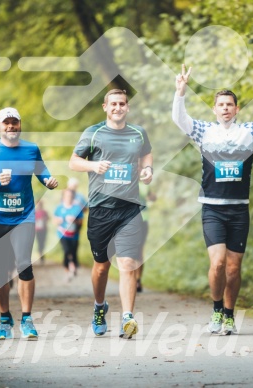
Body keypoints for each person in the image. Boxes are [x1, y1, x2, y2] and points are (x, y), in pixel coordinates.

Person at [172, 64, 253, 335]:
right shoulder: (203, 131)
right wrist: (180, 92)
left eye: (230, 104)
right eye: (221, 104)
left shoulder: (249, 132)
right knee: (218, 264)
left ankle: (229, 314)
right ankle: (215, 311)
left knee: (234, 269)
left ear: (236, 109)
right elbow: (180, 120)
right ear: (214, 109)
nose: (225, 108)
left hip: (239, 210)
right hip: (212, 208)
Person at [69, 89, 153, 339]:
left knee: (127, 263)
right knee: (101, 268)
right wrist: (93, 165)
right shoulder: (93, 133)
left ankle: (128, 318)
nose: (118, 107)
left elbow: (146, 152)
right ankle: (99, 307)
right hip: (100, 209)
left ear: (127, 107)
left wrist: (147, 169)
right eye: (113, 103)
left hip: (128, 209)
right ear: (105, 107)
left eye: (122, 104)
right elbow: (73, 161)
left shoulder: (138, 133)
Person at [0, 107, 58, 341]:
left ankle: (27, 319)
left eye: (14, 122)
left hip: (24, 217)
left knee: (24, 265)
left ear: (20, 125)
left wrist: (47, 180)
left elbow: (41, 170)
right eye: (6, 123)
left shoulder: (31, 149)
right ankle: (5, 319)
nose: (11, 126)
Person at [54, 189, 84, 280]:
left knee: (73, 252)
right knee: (66, 251)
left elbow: (81, 222)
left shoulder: (77, 208)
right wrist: (58, 221)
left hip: (74, 234)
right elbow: (54, 220)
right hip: (62, 234)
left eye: (70, 196)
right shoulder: (59, 208)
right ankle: (67, 270)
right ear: (63, 197)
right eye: (67, 196)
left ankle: (73, 265)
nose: (68, 198)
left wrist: (74, 220)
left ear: (73, 197)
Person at [135, 184, 156, 292]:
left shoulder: (143, 183)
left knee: (139, 250)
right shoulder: (128, 178)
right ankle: (132, 278)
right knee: (131, 250)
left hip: (143, 219)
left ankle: (137, 279)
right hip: (129, 219)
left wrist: (152, 197)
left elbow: (152, 196)